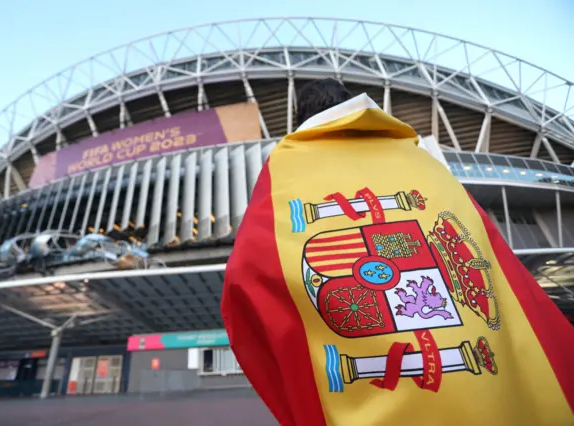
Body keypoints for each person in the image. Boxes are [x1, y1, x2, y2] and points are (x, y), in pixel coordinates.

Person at [222, 78, 574, 426]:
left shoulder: (287, 169)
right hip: (487, 390)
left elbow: (249, 272)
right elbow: (479, 240)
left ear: (300, 115)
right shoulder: (421, 160)